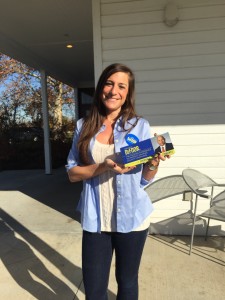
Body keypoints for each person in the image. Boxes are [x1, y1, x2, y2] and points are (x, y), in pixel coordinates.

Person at [66, 63, 169, 300]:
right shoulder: (83, 126)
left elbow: (144, 179)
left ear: (127, 93)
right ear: (101, 87)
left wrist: (154, 161)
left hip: (132, 219)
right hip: (96, 221)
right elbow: (72, 173)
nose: (114, 91)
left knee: (127, 282)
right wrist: (104, 165)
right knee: (94, 289)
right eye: (109, 83)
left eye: (121, 86)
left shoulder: (139, 125)